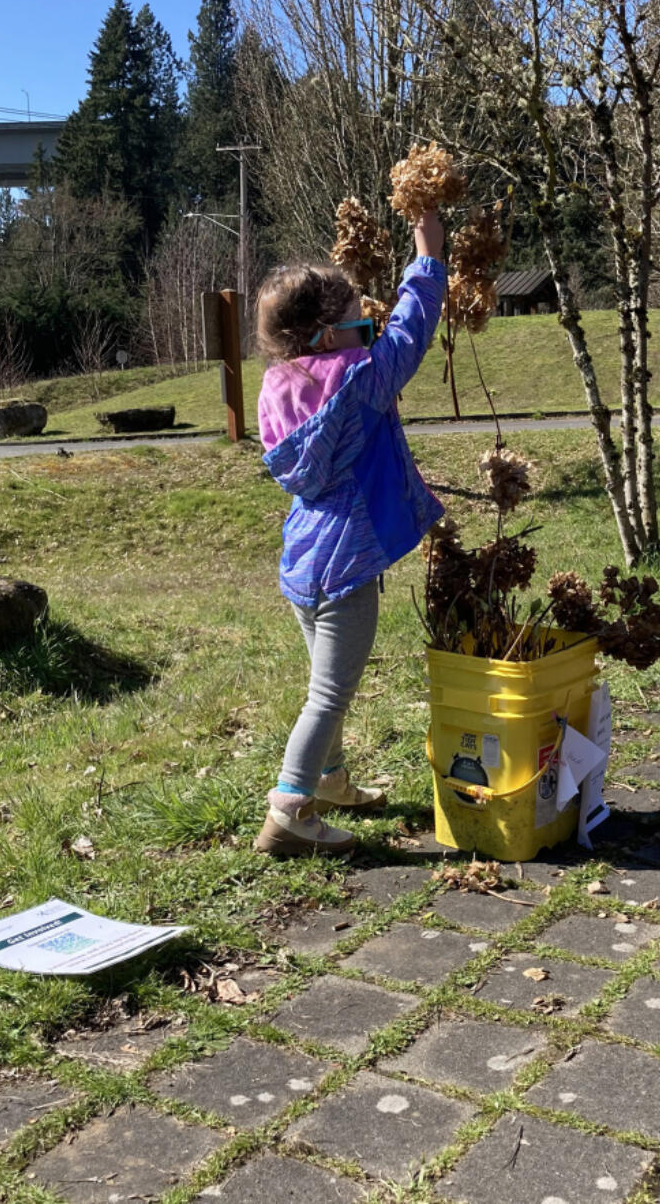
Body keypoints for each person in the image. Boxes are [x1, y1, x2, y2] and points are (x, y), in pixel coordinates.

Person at [252, 209, 447, 856]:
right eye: (360, 323)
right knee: (329, 694)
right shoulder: (361, 379)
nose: (371, 330)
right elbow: (413, 332)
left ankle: (331, 781)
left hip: (303, 560)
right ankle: (289, 810)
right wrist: (428, 253)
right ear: (325, 333)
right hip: (347, 564)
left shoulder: (278, 388)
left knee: (323, 682)